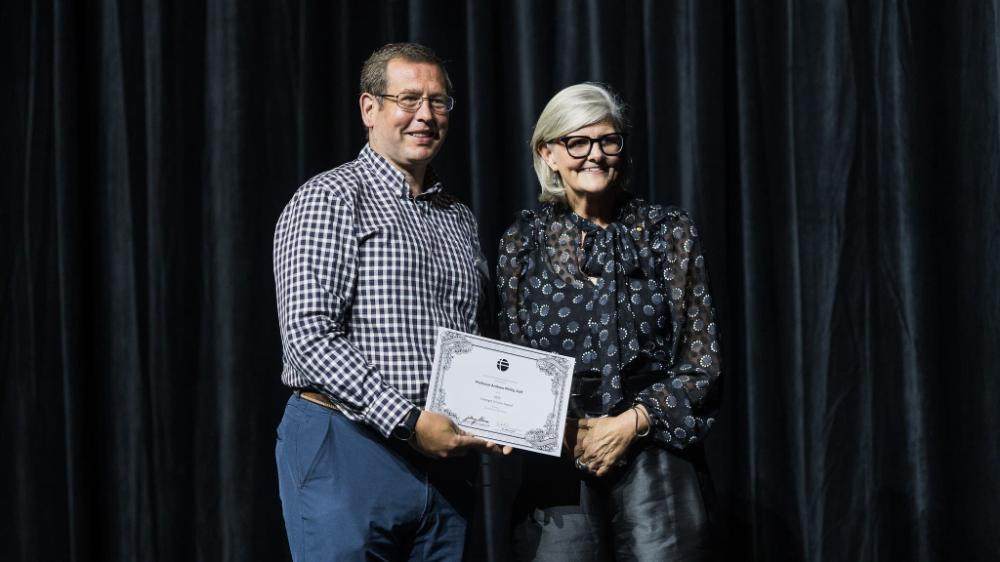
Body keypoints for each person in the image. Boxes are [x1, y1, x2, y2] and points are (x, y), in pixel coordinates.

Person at [273, 42, 511, 561]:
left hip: (444, 466)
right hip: (347, 445)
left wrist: (509, 412)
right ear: (369, 108)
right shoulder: (330, 197)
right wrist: (407, 420)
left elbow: (478, 339)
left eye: (439, 101)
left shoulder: (458, 217)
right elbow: (310, 339)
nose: (424, 115)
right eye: (408, 99)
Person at [496, 83, 721, 561]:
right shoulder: (523, 240)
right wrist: (565, 429)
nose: (595, 155)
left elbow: (702, 363)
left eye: (608, 140)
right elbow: (513, 362)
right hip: (561, 449)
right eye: (578, 142)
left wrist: (630, 424)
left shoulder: (668, 230)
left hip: (655, 446)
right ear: (549, 153)